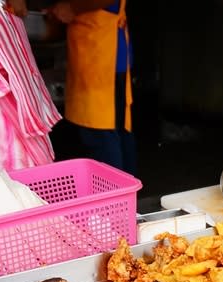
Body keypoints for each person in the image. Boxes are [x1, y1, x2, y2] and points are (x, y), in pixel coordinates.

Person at [9, 0, 135, 174]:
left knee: (101, 134)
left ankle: (116, 197)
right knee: (115, 131)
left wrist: (72, 8)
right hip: (103, 52)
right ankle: (128, 195)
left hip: (103, 55)